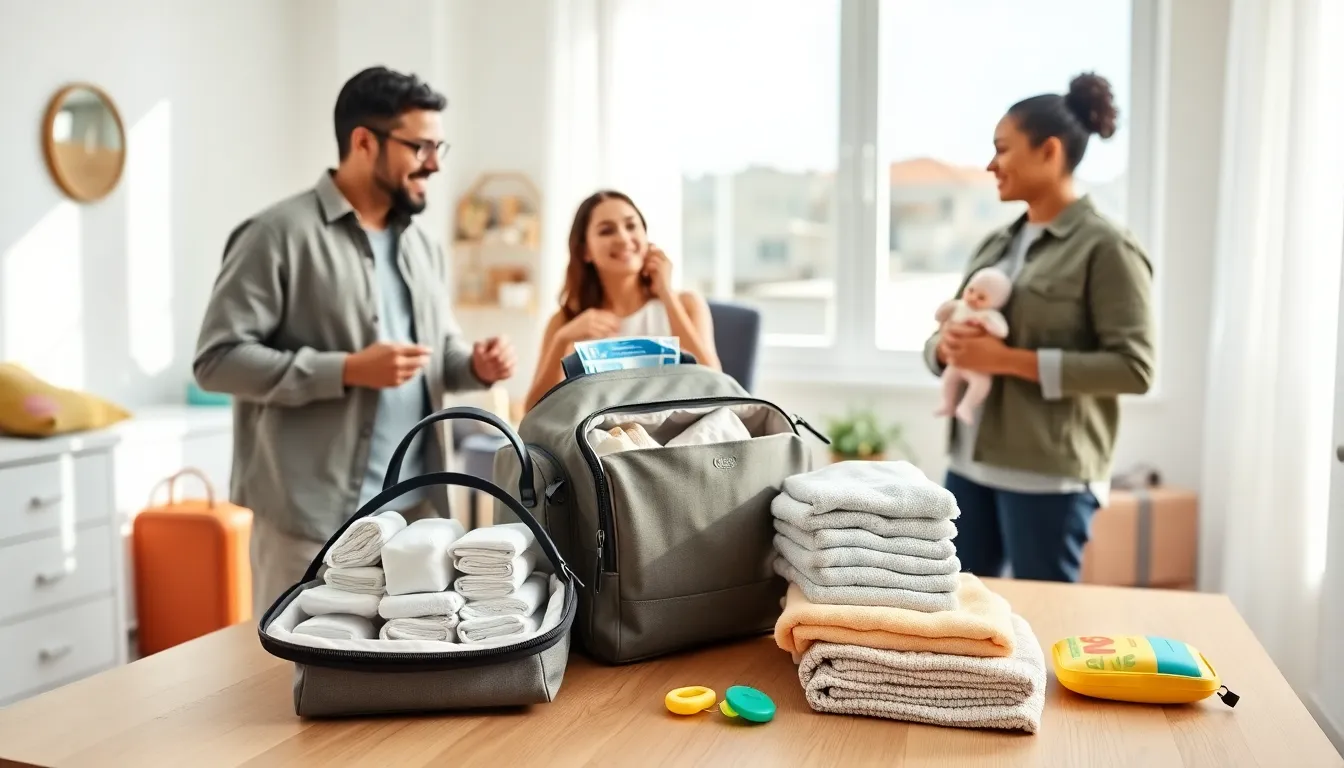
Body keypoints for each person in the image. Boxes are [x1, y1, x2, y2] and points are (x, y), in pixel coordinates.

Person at [193, 66, 517, 615]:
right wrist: (344, 369)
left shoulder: (423, 248)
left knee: (409, 669)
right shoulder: (276, 235)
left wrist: (477, 367)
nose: (435, 163)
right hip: (310, 520)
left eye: (439, 146)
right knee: (295, 680)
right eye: (420, 147)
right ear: (364, 142)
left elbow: (442, 355)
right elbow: (217, 361)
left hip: (417, 514)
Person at [923, 72, 1155, 583]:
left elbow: (1135, 368)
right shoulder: (995, 246)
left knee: (1046, 625)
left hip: (1051, 479)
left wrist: (1004, 361)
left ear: (1049, 151)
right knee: (959, 618)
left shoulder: (1106, 247)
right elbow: (942, 340)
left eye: (1001, 149)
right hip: (969, 465)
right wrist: (947, 347)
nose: (990, 164)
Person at [521, 190, 721, 411]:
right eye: (606, 231)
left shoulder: (686, 304)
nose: (624, 238)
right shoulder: (566, 321)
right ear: (585, 250)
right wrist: (562, 340)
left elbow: (717, 386)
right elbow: (532, 414)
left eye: (631, 226)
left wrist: (667, 294)